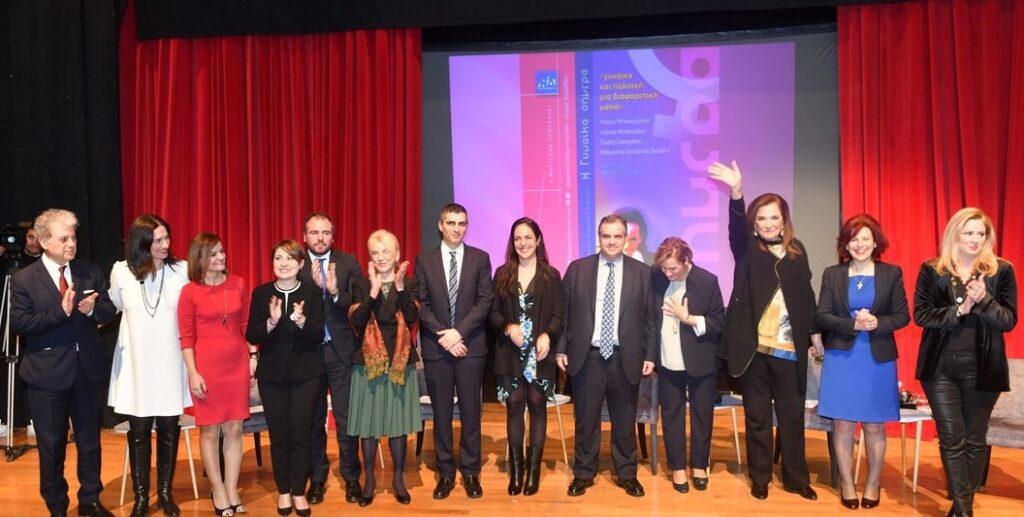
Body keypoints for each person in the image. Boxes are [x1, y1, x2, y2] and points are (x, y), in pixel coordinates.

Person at [707, 160, 821, 501]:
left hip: (790, 351)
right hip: (754, 352)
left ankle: (796, 479)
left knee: (791, 418)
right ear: (754, 224)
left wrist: (814, 333)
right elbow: (735, 226)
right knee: (756, 418)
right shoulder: (746, 249)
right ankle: (760, 477)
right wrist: (737, 191)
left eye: (774, 217)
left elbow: (807, 296)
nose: (769, 223)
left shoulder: (797, 252)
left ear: (784, 220)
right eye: (761, 218)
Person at [10, 208, 117, 517]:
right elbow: (19, 323)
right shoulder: (23, 280)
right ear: (44, 241)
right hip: (46, 376)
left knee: (90, 442)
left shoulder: (88, 271)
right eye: (64, 238)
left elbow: (108, 310)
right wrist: (60, 312)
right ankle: (57, 507)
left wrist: (91, 311)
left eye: (74, 237)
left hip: (86, 371)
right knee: (52, 446)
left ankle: (90, 500)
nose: (72, 244)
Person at [913, 207, 1017, 517]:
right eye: (968, 233)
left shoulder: (1001, 271)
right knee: (951, 438)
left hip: (983, 369)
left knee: (974, 439)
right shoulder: (932, 270)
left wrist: (984, 300)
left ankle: (961, 509)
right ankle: (965, 510)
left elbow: (1008, 321)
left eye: (980, 234)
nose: (974, 239)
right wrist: (959, 310)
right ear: (954, 235)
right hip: (940, 368)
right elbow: (921, 315)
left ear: (988, 238)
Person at [555, 214, 656, 498]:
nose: (611, 241)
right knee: (585, 420)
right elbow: (564, 313)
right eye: (606, 236)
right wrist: (561, 348)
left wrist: (650, 354)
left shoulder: (643, 272)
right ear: (599, 237)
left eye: (617, 236)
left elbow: (651, 319)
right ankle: (583, 473)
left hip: (626, 357)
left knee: (624, 421)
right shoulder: (577, 269)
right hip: (587, 357)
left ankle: (627, 474)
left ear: (625, 239)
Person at [816, 214, 909, 509]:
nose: (860, 244)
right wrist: (852, 325)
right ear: (845, 244)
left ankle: (872, 482)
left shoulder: (891, 273)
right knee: (842, 424)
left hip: (877, 359)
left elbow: (902, 316)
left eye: (866, 238)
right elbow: (822, 316)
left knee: (874, 426)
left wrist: (878, 322)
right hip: (841, 358)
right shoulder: (833, 274)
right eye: (854, 239)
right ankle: (847, 482)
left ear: (875, 242)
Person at [107, 215, 193, 517]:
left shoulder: (181, 270)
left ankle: (166, 493)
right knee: (139, 431)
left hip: (170, 362)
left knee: (169, 428)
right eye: (158, 240)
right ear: (141, 242)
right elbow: (113, 307)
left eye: (167, 238)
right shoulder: (121, 271)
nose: (165, 244)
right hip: (136, 365)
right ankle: (141, 496)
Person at [414, 203, 494, 500]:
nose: (457, 228)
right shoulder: (424, 260)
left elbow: (485, 302)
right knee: (442, 415)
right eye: (451, 223)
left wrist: (458, 333)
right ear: (440, 225)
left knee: (471, 414)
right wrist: (445, 336)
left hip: (470, 348)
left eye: (462, 223)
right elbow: (421, 304)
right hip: (437, 350)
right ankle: (446, 473)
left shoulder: (480, 258)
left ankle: (471, 472)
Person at [246, 240, 325, 517]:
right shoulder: (262, 293)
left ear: (301, 263)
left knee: (301, 433)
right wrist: (271, 322)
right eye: (278, 258)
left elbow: (318, 334)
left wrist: (301, 321)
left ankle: (299, 491)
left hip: (307, 373)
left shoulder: (311, 293)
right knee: (279, 435)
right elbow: (252, 334)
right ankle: (283, 490)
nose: (283, 263)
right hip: (272, 375)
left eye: (290, 258)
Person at [177, 233, 251, 517]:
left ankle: (232, 489)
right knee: (210, 431)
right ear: (200, 258)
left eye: (222, 251)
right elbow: (186, 337)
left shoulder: (239, 283)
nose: (221, 257)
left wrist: (253, 357)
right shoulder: (189, 292)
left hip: (237, 365)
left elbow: (245, 325)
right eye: (214, 253)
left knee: (235, 428)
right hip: (206, 369)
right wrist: (193, 373)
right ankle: (217, 490)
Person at [489, 218, 564, 496]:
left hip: (540, 354)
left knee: (536, 404)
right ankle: (517, 472)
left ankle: (533, 472)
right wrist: (508, 328)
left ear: (538, 240)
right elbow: (493, 313)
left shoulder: (551, 275)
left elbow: (558, 315)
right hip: (509, 353)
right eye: (518, 238)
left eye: (528, 237)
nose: (523, 243)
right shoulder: (502, 274)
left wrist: (548, 335)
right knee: (514, 404)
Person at [347, 230, 422, 506]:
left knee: (398, 426)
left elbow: (412, 317)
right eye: (375, 253)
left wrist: (399, 288)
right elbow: (357, 320)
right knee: (368, 426)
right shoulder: (361, 282)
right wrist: (373, 293)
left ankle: (398, 479)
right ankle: (369, 481)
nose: (381, 257)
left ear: (397, 254)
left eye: (386, 252)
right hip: (368, 363)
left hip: (400, 362)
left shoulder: (409, 283)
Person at [650, 237, 726, 493]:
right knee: (671, 414)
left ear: (686, 260)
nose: (668, 273)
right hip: (667, 358)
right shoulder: (657, 277)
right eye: (664, 268)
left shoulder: (706, 281)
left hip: (700, 359)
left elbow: (719, 322)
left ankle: (700, 465)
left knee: (702, 414)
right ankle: (678, 467)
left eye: (673, 268)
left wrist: (689, 319)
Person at [299, 212, 363, 505]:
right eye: (314, 232)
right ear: (305, 237)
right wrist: (315, 288)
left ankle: (351, 478)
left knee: (347, 419)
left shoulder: (348, 263)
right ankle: (317, 479)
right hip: (309, 354)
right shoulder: (294, 263)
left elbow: (360, 305)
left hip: (342, 353)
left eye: (325, 232)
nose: (320, 238)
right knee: (313, 420)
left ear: (333, 237)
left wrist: (336, 292)